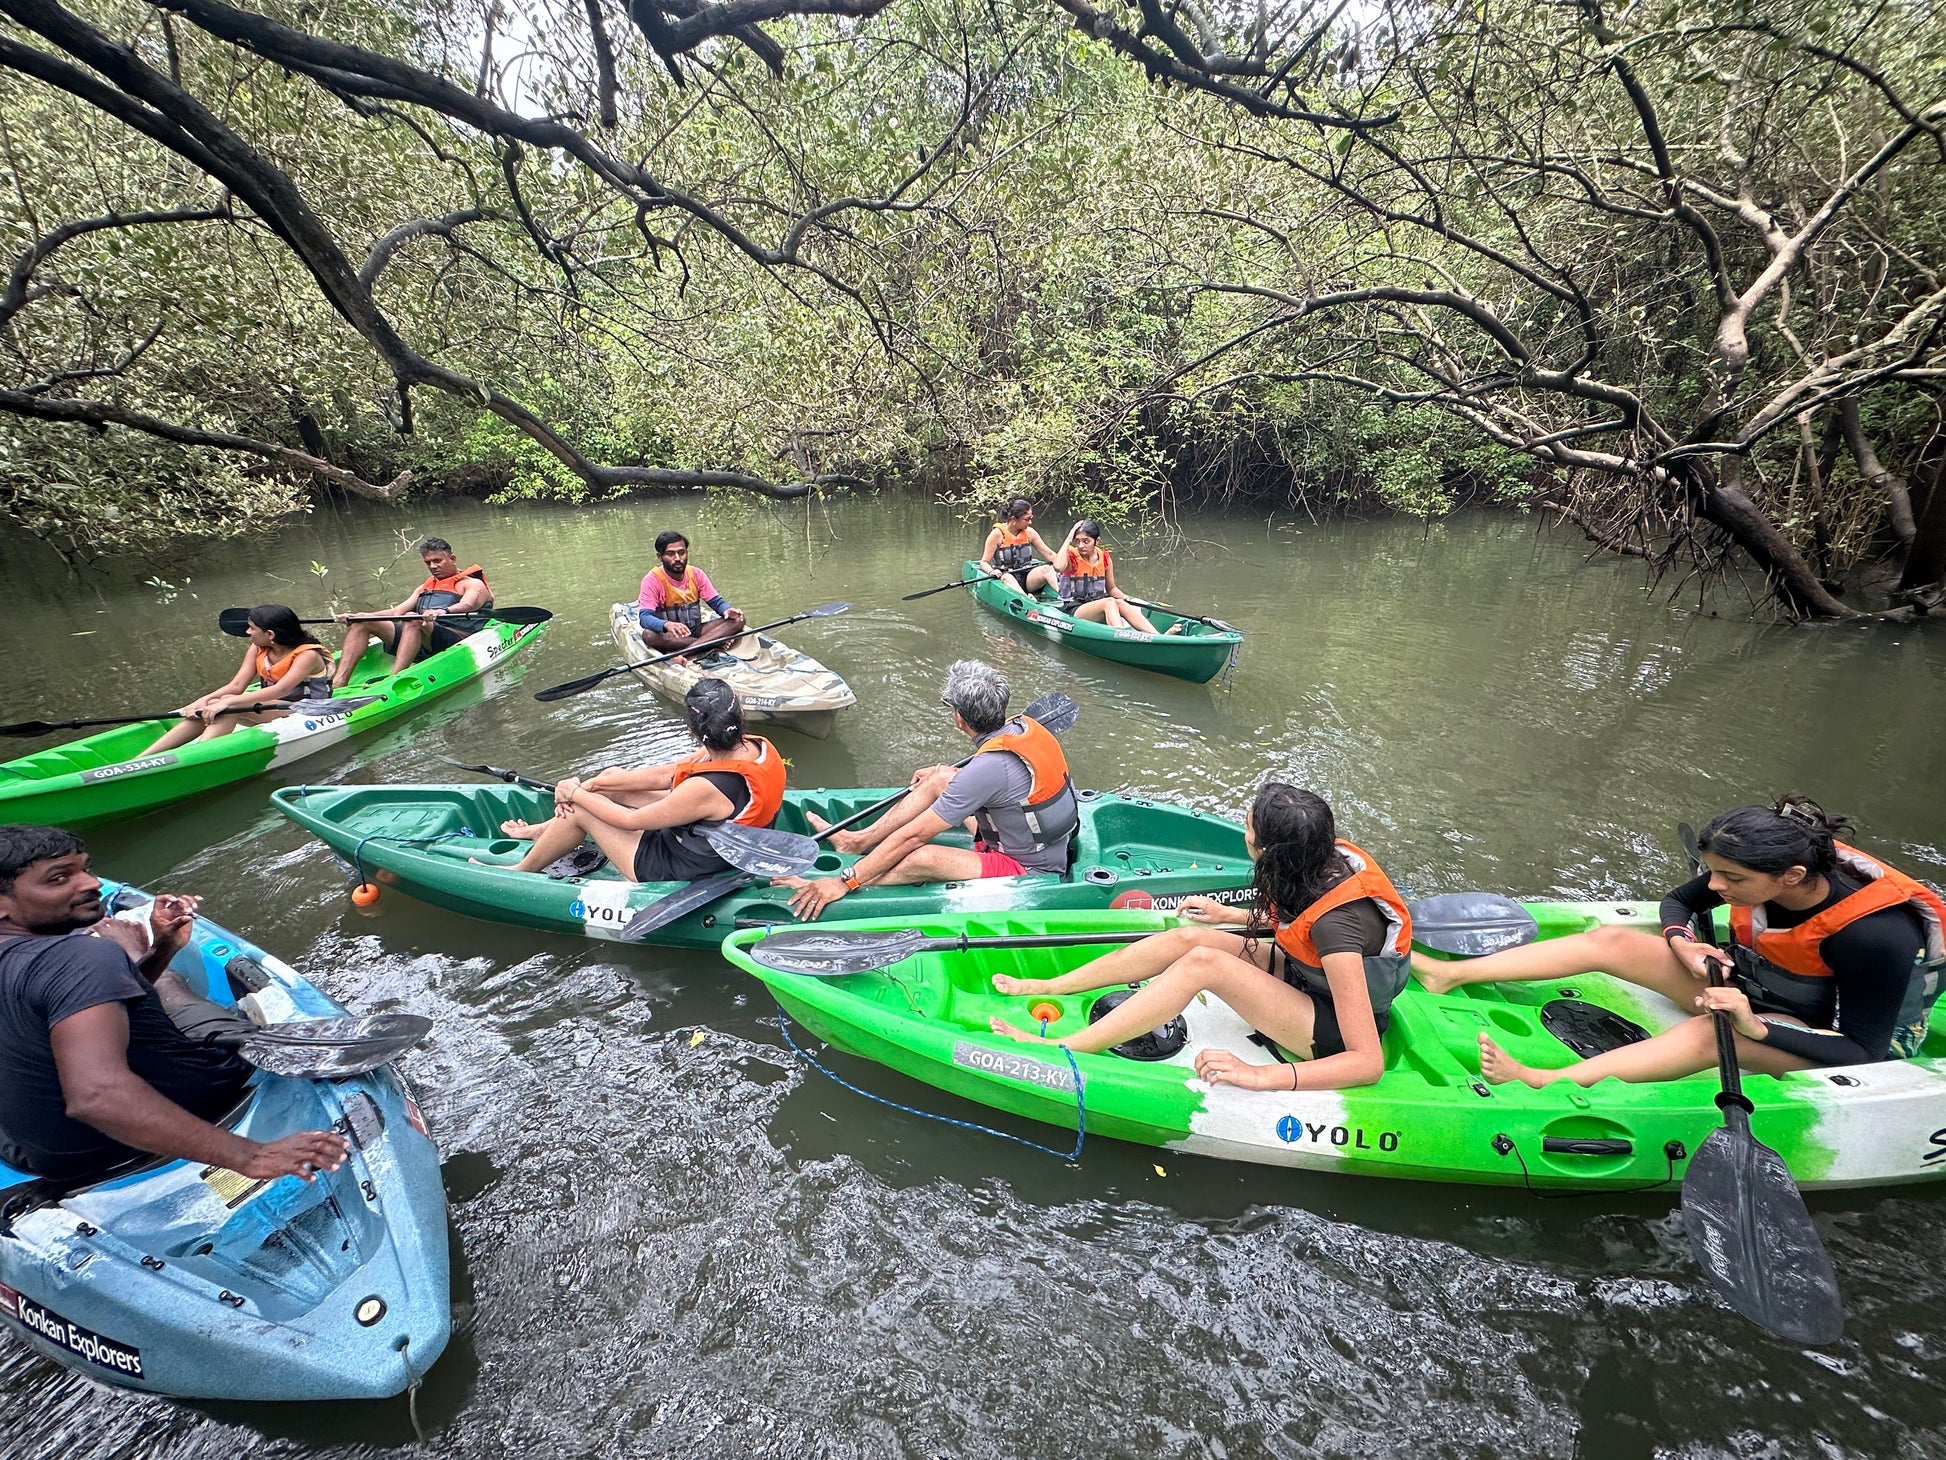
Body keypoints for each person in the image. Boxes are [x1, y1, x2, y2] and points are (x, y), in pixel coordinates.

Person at [1413, 795, 1946, 1088]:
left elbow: (1862, 1049)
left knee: (1709, 1035)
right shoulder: (1763, 868)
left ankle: (1545, 1079)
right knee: (1614, 941)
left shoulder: (1873, 935)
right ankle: (1449, 973)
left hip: (1838, 1038)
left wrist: (1754, 1027)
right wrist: (1682, 942)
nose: (1716, 887)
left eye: (1731, 879)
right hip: (1758, 990)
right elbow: (1679, 903)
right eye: (1713, 871)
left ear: (1792, 876)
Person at [985, 784, 1406, 1092]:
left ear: (1270, 850)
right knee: (1189, 939)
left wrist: (1262, 1076)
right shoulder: (1311, 858)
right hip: (1307, 980)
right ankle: (1051, 985)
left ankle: (1068, 1047)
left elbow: (1367, 1062)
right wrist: (1231, 916)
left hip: (1328, 1029)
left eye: (1249, 827)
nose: (1244, 830)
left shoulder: (1337, 926)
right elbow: (1299, 925)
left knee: (1205, 964)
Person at [0, 825, 349, 1186]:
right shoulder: (86, 955)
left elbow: (72, 1000)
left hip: (56, 1159)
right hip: (184, 1109)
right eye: (59, 879)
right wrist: (251, 1156)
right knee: (178, 997)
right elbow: (97, 1096)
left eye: (86, 869)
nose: (92, 883)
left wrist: (162, 949)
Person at [772, 659, 1079, 920]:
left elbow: (913, 836)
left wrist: (844, 881)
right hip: (1030, 840)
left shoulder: (988, 767)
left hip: (1026, 867)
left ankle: (852, 885)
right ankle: (857, 841)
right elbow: (1000, 779)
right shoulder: (1024, 728)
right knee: (939, 777)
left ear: (959, 718)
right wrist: (947, 776)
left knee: (922, 856)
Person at [492, 679, 786, 881]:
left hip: (682, 863)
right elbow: (666, 774)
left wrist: (576, 794)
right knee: (612, 777)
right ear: (738, 716)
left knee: (581, 809)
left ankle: (522, 869)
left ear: (693, 731)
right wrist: (595, 785)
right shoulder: (753, 746)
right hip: (712, 834)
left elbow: (630, 821)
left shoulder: (707, 787)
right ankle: (543, 831)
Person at [141, 605, 333, 755]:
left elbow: (280, 690)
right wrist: (202, 701)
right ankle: (143, 759)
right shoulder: (258, 648)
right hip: (274, 707)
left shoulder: (307, 655)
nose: (247, 632)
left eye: (252, 628)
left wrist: (228, 702)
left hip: (308, 709)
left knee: (229, 706)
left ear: (270, 634)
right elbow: (237, 685)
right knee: (213, 706)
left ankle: (198, 754)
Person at [331, 537, 493, 688]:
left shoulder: (472, 584)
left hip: (455, 638)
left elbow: (467, 605)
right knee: (362, 621)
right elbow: (396, 612)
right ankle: (338, 682)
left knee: (412, 618)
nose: (433, 566)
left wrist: (442, 611)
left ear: (452, 559)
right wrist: (356, 616)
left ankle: (394, 678)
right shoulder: (425, 587)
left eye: (437, 561)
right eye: (428, 562)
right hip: (423, 637)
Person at [1048, 520, 1178, 635]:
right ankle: (1121, 636)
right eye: (1077, 541)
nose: (1081, 545)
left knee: (1119, 603)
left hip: (1096, 604)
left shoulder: (1104, 558)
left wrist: (1125, 599)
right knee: (1109, 602)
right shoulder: (1071, 557)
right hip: (1074, 608)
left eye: (1086, 541)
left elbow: (1111, 589)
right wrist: (1069, 537)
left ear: (1097, 541)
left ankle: (1158, 636)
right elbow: (1058, 567)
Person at [636, 530, 746, 658]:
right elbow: (645, 618)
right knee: (649, 635)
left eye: (681, 552)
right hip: (672, 636)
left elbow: (716, 602)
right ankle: (712, 644)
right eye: (671, 554)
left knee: (738, 619)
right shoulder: (651, 580)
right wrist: (666, 624)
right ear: (660, 556)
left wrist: (727, 610)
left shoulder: (696, 573)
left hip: (696, 631)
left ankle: (685, 652)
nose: (678, 558)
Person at [977, 497, 1060, 595]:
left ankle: (1065, 595)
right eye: (1027, 519)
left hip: (1028, 577)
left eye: (1030, 518)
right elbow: (984, 562)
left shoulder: (1030, 533)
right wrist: (992, 571)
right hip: (1007, 578)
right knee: (1006, 577)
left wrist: (1065, 566)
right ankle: (1027, 600)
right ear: (1013, 520)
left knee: (1047, 569)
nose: (1030, 522)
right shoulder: (997, 534)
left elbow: (1050, 555)